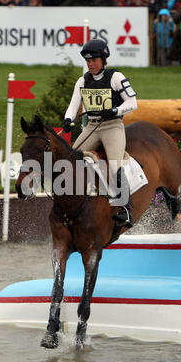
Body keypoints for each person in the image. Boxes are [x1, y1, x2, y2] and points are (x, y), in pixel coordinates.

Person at [63, 39, 138, 227]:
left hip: (112, 126)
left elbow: (132, 103)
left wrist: (115, 110)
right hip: (92, 127)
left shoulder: (116, 77)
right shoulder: (83, 80)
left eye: (94, 60)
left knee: (114, 165)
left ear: (104, 59)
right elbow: (73, 105)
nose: (90, 64)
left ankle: (126, 209)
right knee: (71, 159)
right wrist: (68, 119)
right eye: (88, 61)